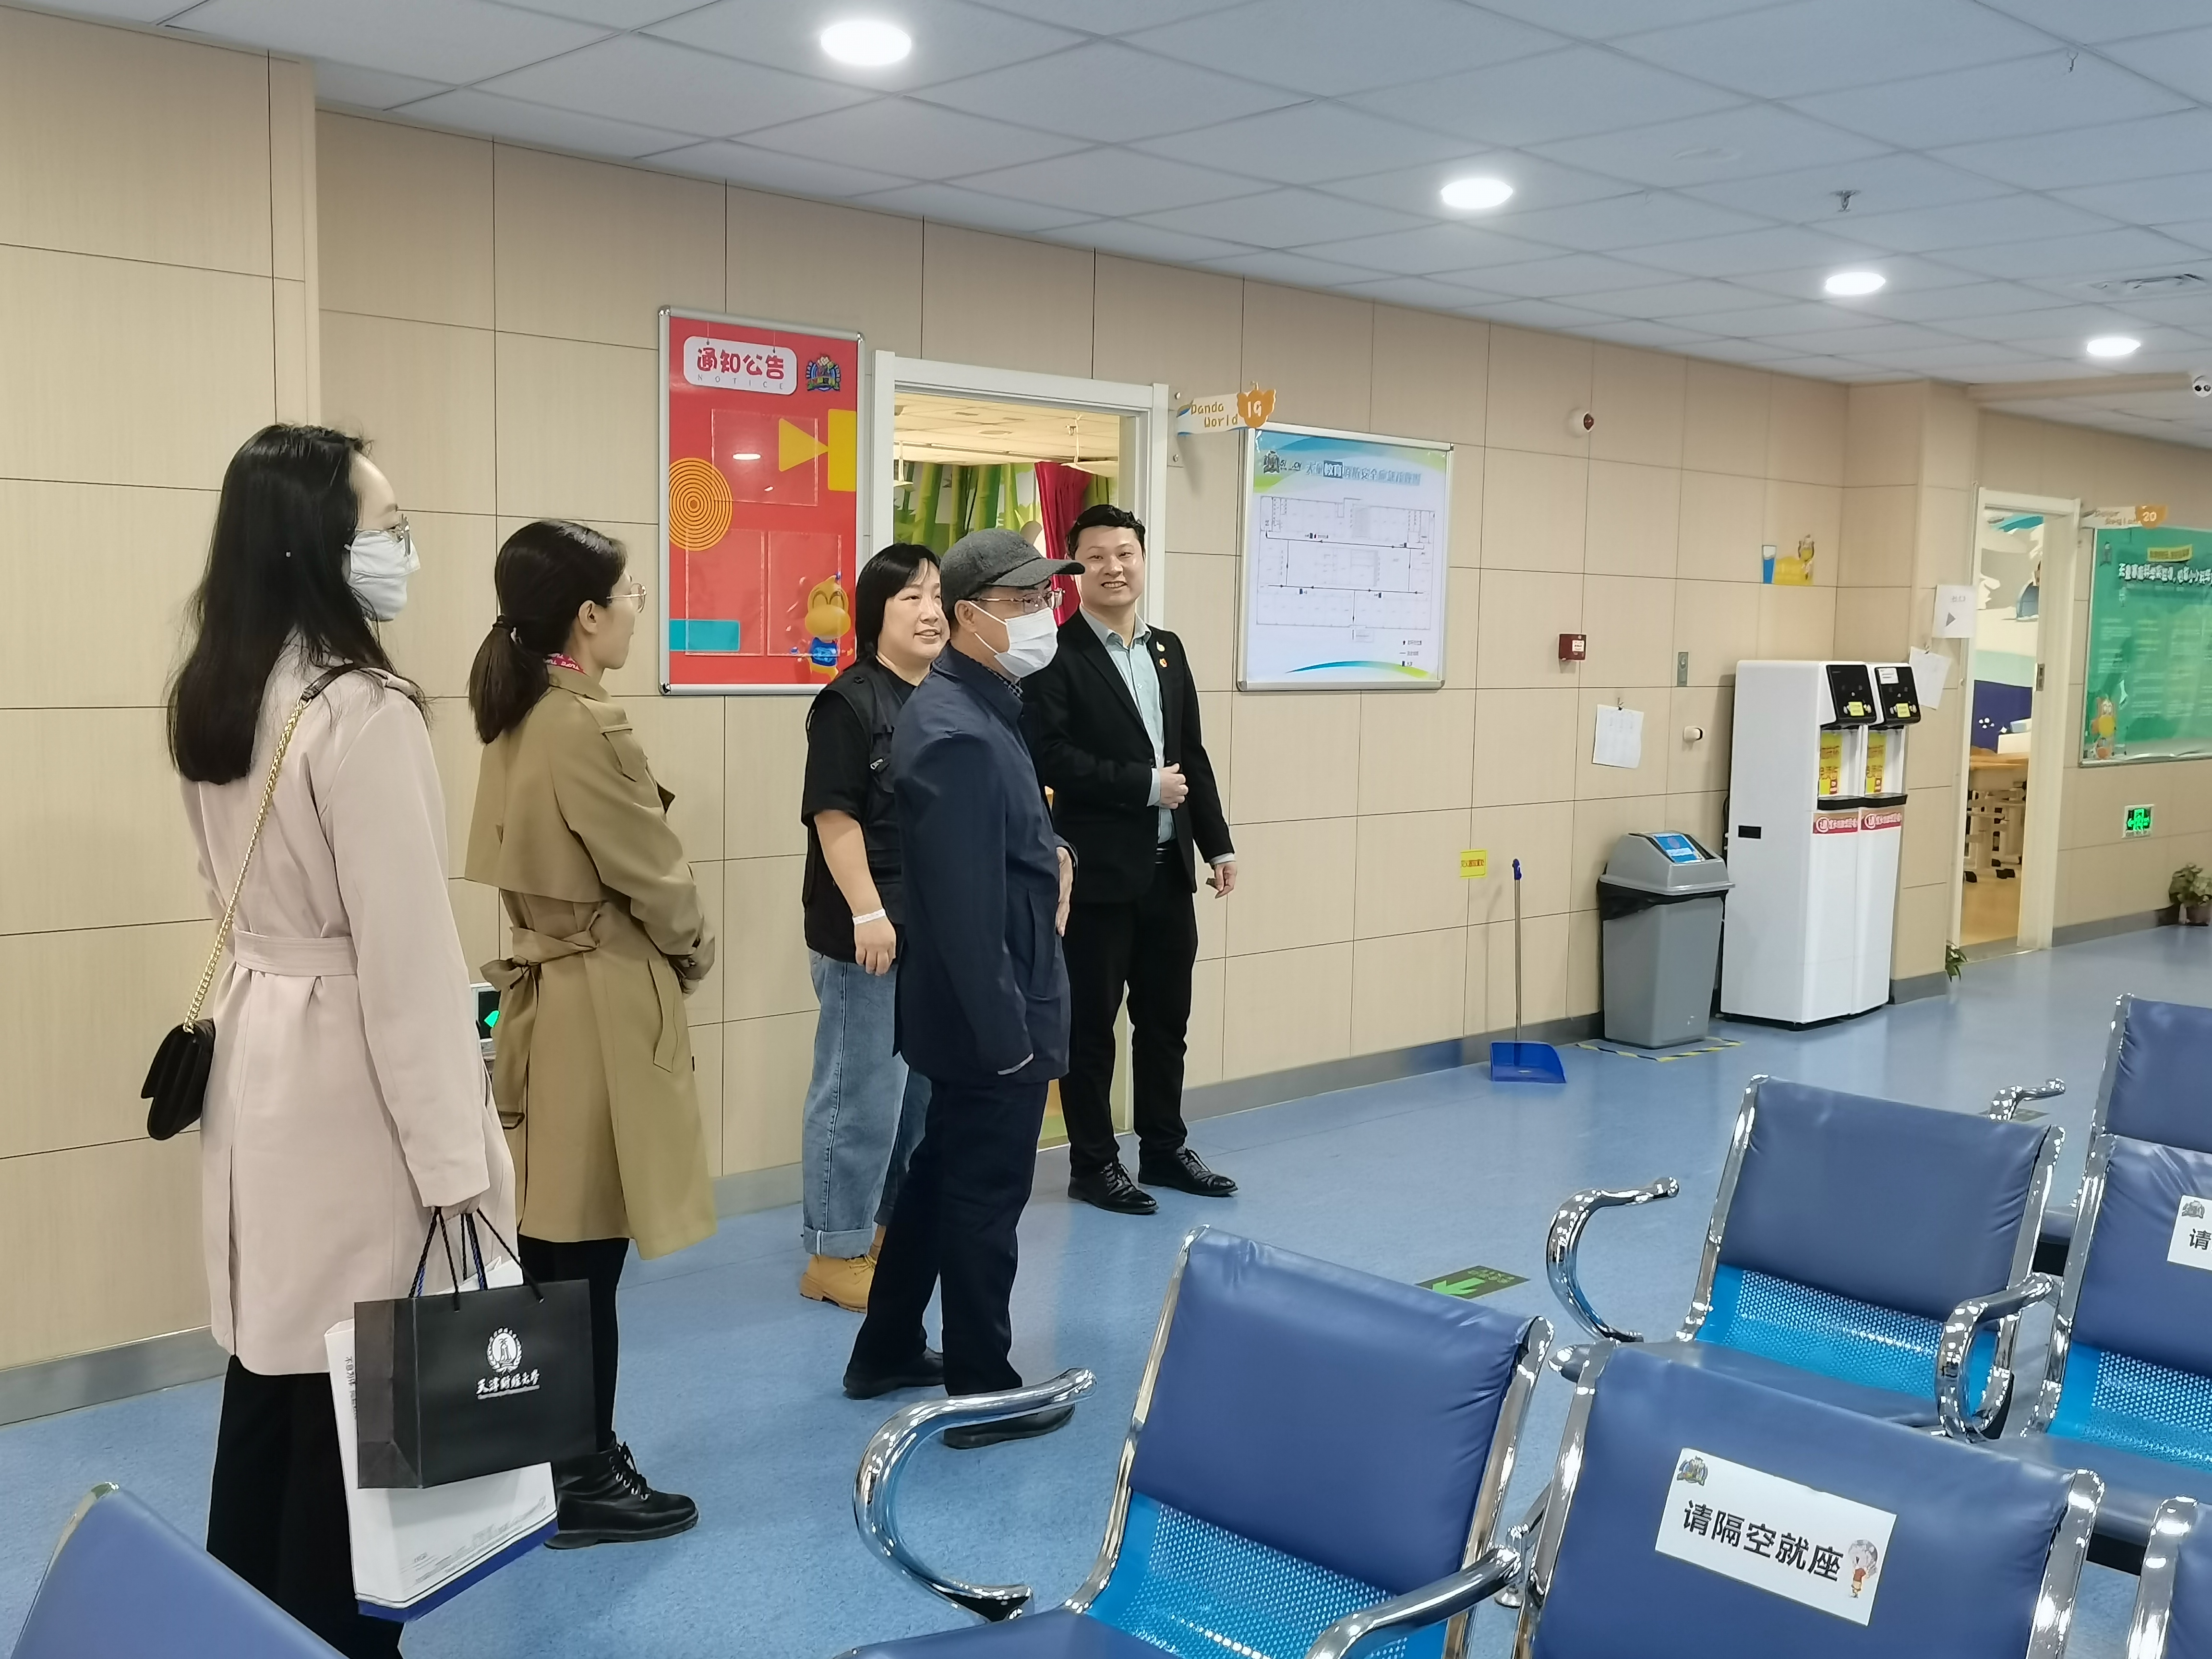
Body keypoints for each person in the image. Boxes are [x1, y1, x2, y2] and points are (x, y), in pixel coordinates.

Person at [169, 424, 515, 1658]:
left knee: (271, 1366)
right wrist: (458, 1166)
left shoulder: (218, 691)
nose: (403, 548)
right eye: (386, 526)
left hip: (257, 1047)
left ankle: (240, 1625)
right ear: (315, 544)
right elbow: (410, 964)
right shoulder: (361, 710)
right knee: (357, 1382)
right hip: (350, 1075)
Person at [465, 520, 716, 1548]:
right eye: (628, 596)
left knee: (551, 1250)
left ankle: (554, 1460)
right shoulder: (582, 724)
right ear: (586, 614)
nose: (635, 612)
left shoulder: (514, 716)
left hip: (544, 998)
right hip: (600, 1002)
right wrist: (692, 950)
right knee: (585, 1261)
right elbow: (654, 873)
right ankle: (581, 1472)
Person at [842, 528, 1083, 1446]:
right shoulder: (954, 729)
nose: (1042, 615)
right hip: (994, 1007)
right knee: (986, 1197)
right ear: (970, 616)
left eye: (1045, 598)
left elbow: (1001, 841)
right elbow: (960, 909)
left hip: (989, 997)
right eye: (1024, 602)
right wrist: (1006, 1036)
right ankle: (985, 1393)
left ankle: (886, 1347)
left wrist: (1054, 852)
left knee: (942, 1172)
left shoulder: (984, 703)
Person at [1023, 504, 1238, 1215]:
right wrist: (1143, 786)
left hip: (1167, 871)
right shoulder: (1054, 655)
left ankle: (1165, 1148)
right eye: (1097, 556)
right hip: (1094, 875)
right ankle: (1093, 1163)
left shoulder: (1167, 649)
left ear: (1143, 560)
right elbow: (1050, 756)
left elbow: (1191, 755)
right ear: (1074, 569)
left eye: (1126, 553)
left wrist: (1217, 844)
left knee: (1165, 1020)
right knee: (1091, 1028)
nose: (1114, 568)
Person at [797, 544, 946, 1311]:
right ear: (875, 616)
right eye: (910, 599)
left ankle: (882, 1230)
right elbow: (836, 817)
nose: (930, 611)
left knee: (914, 1096)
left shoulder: (948, 696)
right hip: (867, 933)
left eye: (937, 596)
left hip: (932, 928)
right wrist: (868, 912)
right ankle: (833, 1252)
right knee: (858, 1095)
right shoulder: (849, 702)